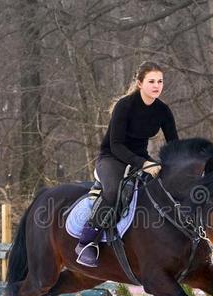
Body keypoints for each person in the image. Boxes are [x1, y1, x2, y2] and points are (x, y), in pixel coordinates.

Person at [75, 61, 179, 267]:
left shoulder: (163, 111)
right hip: (112, 158)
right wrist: (144, 164)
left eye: (160, 81)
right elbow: (116, 145)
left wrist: (181, 163)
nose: (156, 85)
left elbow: (175, 144)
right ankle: (87, 241)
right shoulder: (125, 106)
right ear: (140, 83)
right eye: (151, 81)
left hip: (141, 160)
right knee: (114, 192)